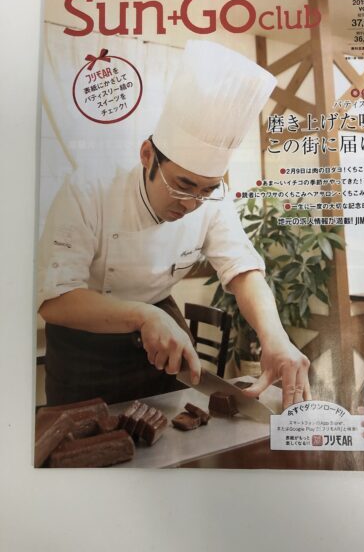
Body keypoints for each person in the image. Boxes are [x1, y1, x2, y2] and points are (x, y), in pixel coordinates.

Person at [37, 40, 311, 409]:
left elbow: (243, 269)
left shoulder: (212, 200)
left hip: (162, 335)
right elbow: (54, 300)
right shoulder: (89, 189)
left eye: (206, 189)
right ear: (147, 155)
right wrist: (142, 314)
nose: (191, 203)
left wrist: (274, 336)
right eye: (182, 185)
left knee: (169, 425)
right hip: (85, 338)